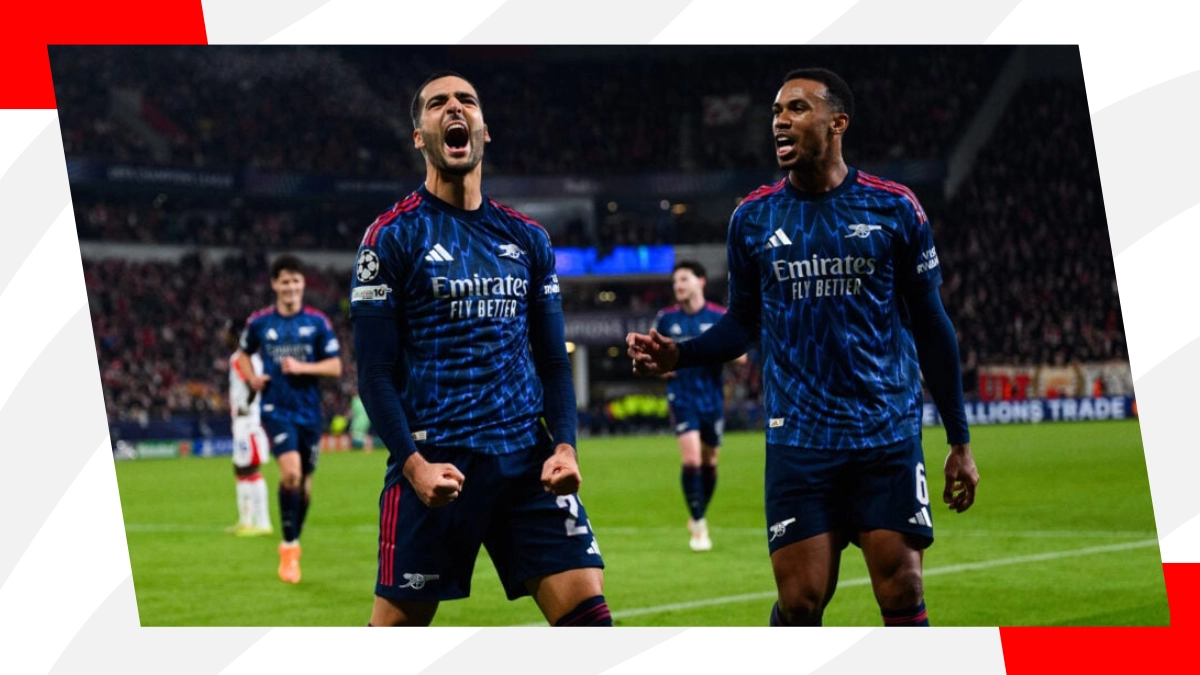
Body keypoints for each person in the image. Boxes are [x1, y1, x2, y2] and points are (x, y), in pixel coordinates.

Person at [628, 67, 979, 627]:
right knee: (801, 600)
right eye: (775, 112)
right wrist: (681, 353)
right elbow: (742, 324)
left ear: (837, 121)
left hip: (884, 431)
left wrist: (959, 440)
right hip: (801, 440)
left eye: (796, 108)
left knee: (903, 588)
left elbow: (934, 327)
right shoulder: (753, 218)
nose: (780, 121)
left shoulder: (895, 208)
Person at [350, 71, 609, 627]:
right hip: (438, 461)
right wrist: (413, 466)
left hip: (527, 462)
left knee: (591, 624)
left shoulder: (527, 238)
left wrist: (565, 446)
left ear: (483, 130)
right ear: (419, 136)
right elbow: (374, 372)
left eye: (465, 100)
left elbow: (553, 360)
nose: (453, 108)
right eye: (437, 103)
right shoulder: (390, 237)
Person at [236, 254, 343, 584]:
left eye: (296, 280)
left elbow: (335, 367)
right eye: (284, 281)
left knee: (306, 486)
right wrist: (252, 377)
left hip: (309, 413)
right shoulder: (260, 323)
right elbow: (242, 355)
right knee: (292, 473)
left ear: (303, 284)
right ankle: (289, 547)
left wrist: (303, 368)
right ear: (274, 285)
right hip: (275, 410)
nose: (291, 287)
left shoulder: (318, 322)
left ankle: (293, 540)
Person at [653, 261, 746, 551]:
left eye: (683, 279)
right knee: (692, 459)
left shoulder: (720, 316)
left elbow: (741, 356)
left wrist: (715, 351)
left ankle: (697, 513)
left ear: (700, 281)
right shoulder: (666, 319)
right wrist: (660, 364)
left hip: (712, 397)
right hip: (682, 395)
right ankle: (699, 525)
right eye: (675, 282)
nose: (678, 285)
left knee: (710, 462)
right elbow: (654, 353)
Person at [224, 318, 273, 537]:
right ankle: (246, 521)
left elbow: (253, 383)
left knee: (250, 469)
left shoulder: (241, 358)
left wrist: (248, 405)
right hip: (242, 421)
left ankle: (262, 523)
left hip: (248, 420)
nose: (223, 337)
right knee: (240, 467)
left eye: (226, 333)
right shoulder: (248, 357)